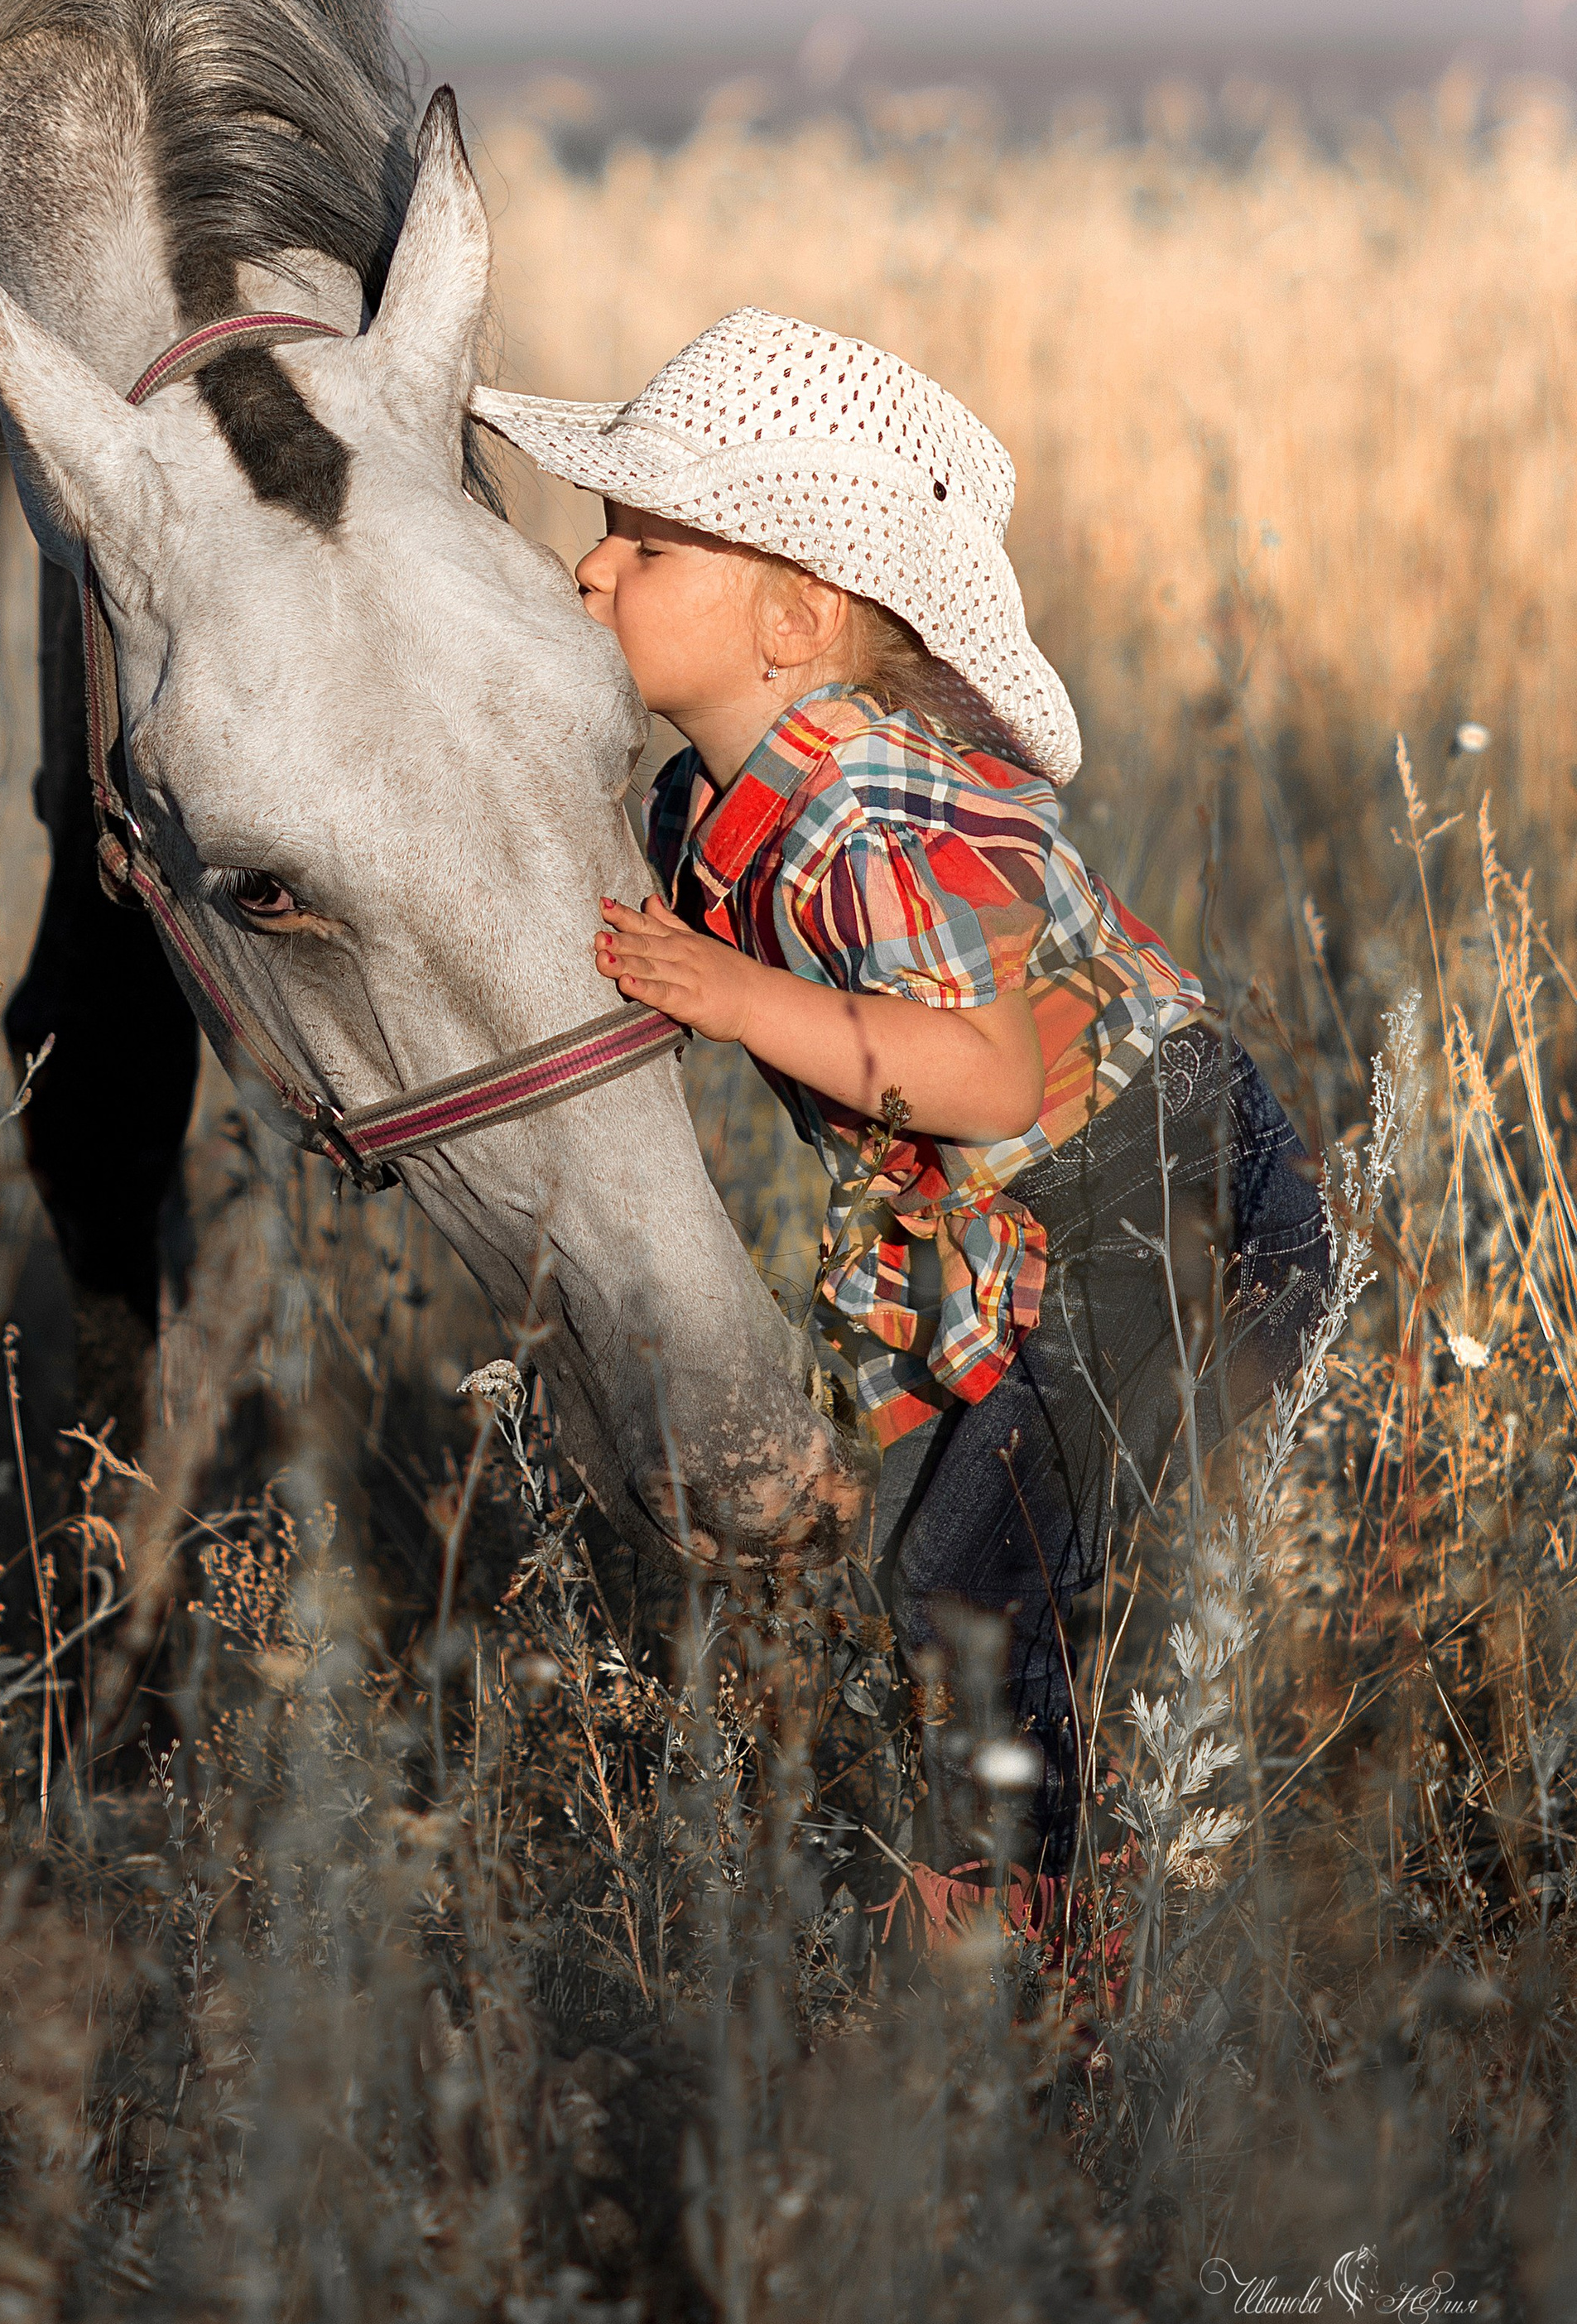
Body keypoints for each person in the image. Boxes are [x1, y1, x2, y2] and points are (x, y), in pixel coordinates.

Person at [472, 310, 1330, 1932]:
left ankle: (1053, 1905)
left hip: (1154, 1199)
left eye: (641, 547)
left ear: (791, 614)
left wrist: (731, 1002)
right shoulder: (703, 803)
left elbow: (987, 1079)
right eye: (601, 539)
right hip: (1017, 1221)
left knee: (988, 1563)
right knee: (983, 1551)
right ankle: (1044, 1851)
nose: (589, 574)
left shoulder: (873, 819)